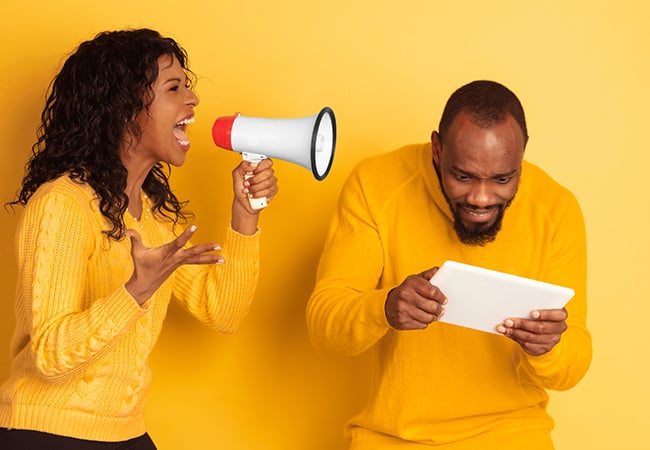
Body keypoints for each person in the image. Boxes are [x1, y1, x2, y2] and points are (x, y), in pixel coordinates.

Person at [0, 28, 278, 449]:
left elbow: (223, 312)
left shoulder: (147, 219)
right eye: (174, 87)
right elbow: (50, 357)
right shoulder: (62, 203)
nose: (193, 99)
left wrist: (245, 215)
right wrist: (136, 291)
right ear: (125, 108)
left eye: (188, 86)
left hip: (123, 434)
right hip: (46, 432)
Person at [306, 80, 591, 449]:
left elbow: (574, 364)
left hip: (514, 436)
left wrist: (549, 346)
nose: (482, 197)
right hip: (393, 438)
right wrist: (385, 307)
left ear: (522, 154)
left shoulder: (556, 208)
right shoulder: (375, 184)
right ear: (438, 149)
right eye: (463, 176)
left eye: (503, 179)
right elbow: (324, 329)